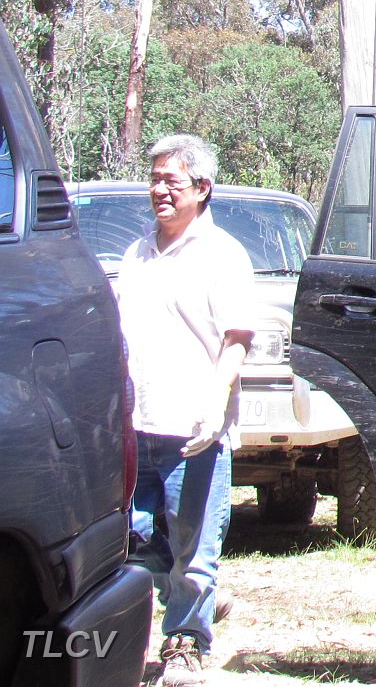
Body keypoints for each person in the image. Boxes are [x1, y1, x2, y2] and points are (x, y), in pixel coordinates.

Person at [116, 134, 255, 686]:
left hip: (193, 432)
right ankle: (197, 598)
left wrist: (214, 402)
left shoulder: (222, 255)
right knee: (139, 539)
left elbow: (237, 338)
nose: (158, 191)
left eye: (171, 181)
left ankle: (186, 644)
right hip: (136, 427)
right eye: (153, 179)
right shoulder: (136, 253)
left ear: (202, 189)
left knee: (193, 543)